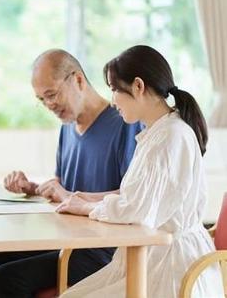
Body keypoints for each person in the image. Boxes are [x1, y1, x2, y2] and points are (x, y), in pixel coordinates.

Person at [0, 49, 142, 297]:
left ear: (78, 80)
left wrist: (67, 194)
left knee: (8, 279)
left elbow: (131, 197)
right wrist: (33, 188)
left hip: (103, 249)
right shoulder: (68, 128)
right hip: (66, 239)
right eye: (41, 99)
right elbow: (64, 188)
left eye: (52, 94)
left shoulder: (124, 124)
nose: (49, 105)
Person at [56, 45, 223, 297]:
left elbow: (139, 211)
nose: (112, 101)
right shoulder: (158, 133)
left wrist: (88, 208)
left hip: (170, 267)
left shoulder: (170, 137)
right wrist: (88, 198)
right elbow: (138, 198)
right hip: (151, 256)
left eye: (114, 90)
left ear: (138, 86)